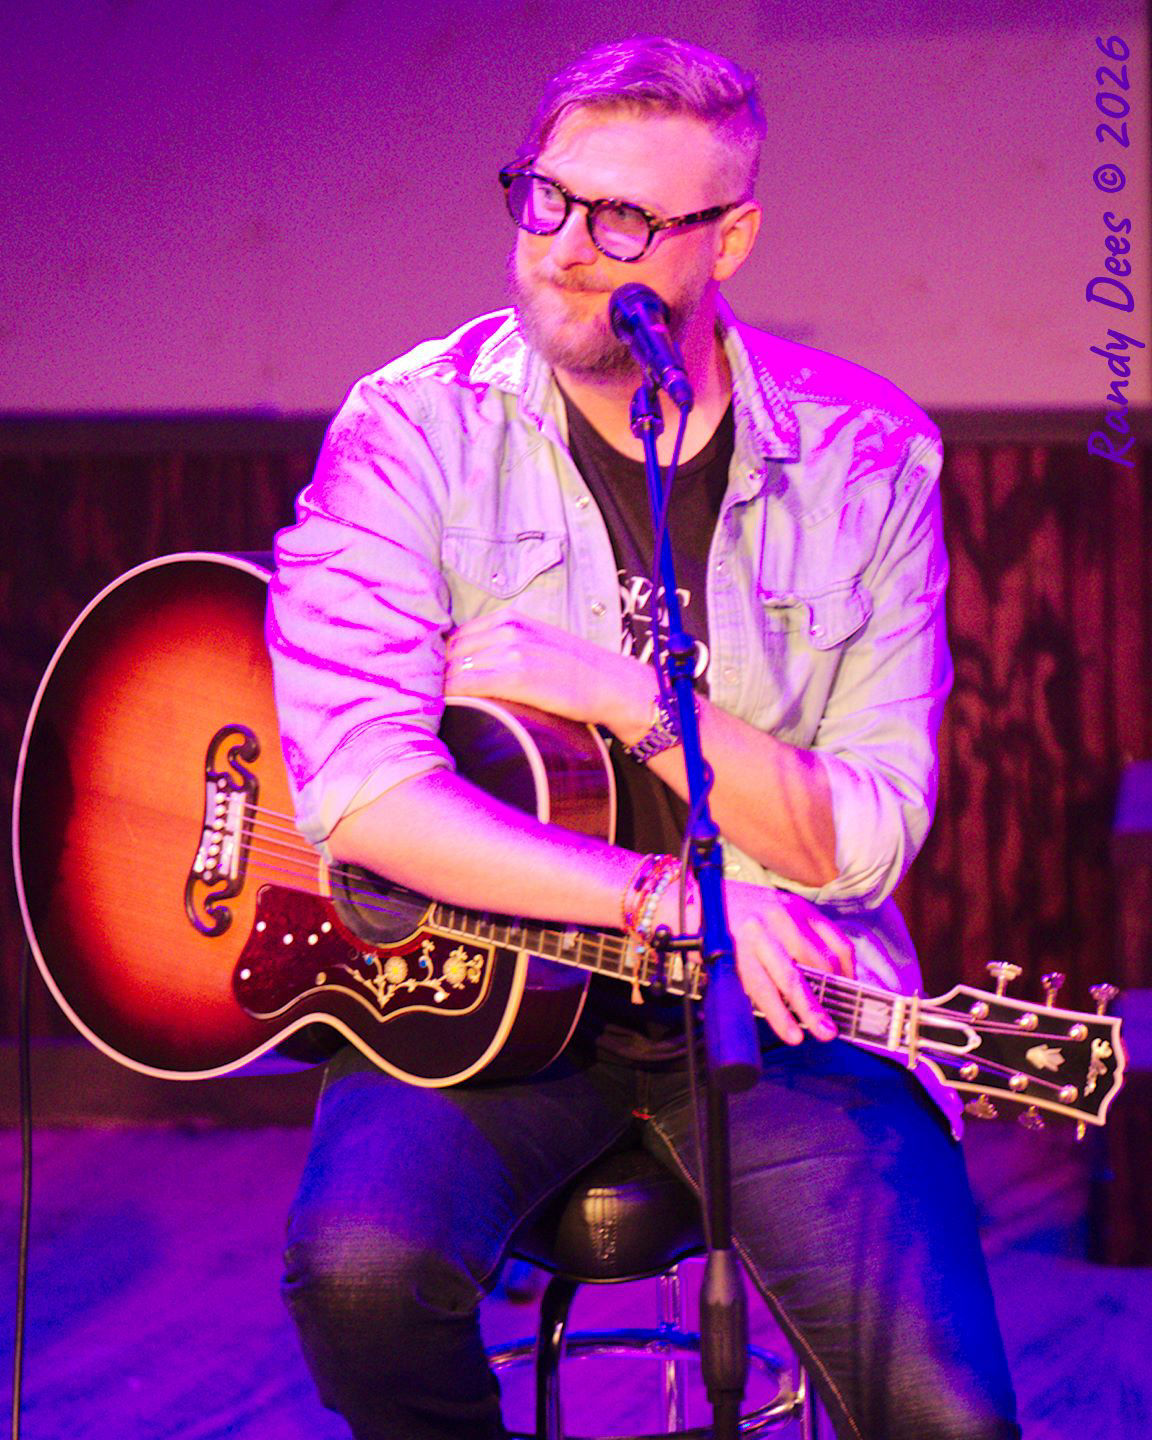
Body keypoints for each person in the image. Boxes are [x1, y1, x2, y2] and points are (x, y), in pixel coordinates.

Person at [267, 35, 1019, 1440]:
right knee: (356, 1274)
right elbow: (362, 790)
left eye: (624, 220)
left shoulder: (866, 457)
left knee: (948, 1416)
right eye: (546, 198)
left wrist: (631, 701)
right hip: (473, 994)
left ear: (730, 236)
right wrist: (674, 898)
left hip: (789, 1016)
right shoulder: (413, 428)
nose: (561, 248)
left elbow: (860, 837)